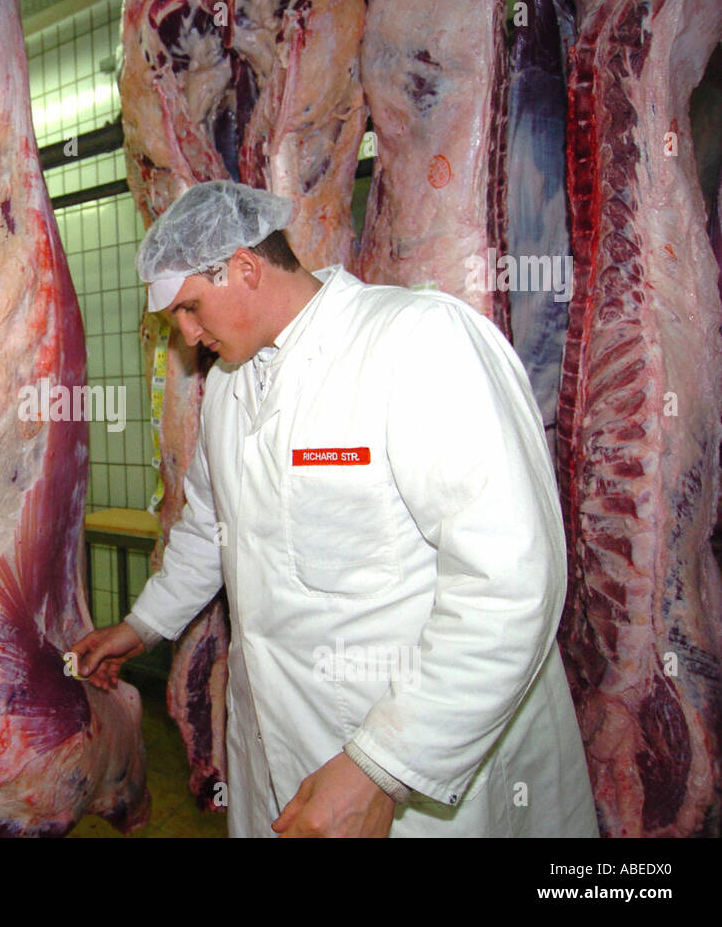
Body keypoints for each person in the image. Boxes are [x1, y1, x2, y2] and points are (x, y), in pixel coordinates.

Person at [70, 180, 598, 838]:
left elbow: (510, 584)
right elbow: (211, 528)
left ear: (244, 268)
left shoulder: (417, 343)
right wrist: (141, 627)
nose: (185, 333)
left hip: (419, 766)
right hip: (282, 751)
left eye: (190, 308)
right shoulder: (230, 391)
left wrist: (385, 765)